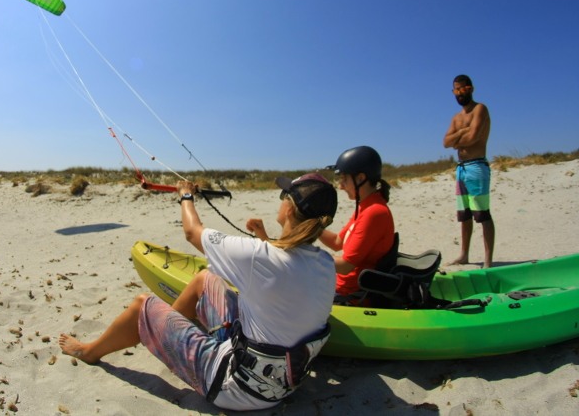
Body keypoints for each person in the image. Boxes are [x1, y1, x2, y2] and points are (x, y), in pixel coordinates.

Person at [58, 173, 338, 410]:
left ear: (288, 209)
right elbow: (284, 264)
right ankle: (165, 331)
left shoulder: (259, 257)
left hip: (234, 388)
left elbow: (193, 232)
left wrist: (185, 196)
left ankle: (90, 352)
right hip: (282, 385)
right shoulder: (325, 263)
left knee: (142, 305)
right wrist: (265, 239)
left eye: (283, 197)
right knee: (206, 279)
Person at [318, 146, 396, 302]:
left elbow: (346, 265)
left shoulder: (374, 212)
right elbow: (337, 243)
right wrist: (311, 226)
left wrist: (307, 256)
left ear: (361, 178)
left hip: (350, 294)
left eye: (344, 179)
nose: (340, 186)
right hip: (342, 286)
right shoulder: (366, 206)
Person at [442, 74, 494, 268]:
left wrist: (459, 137)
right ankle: (464, 254)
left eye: (462, 89)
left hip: (477, 166)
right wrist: (462, 133)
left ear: (470, 88)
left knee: (482, 214)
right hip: (461, 168)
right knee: (464, 215)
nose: (459, 93)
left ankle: (488, 259)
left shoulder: (480, 109)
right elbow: (446, 142)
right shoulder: (457, 118)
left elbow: (473, 138)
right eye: (456, 90)